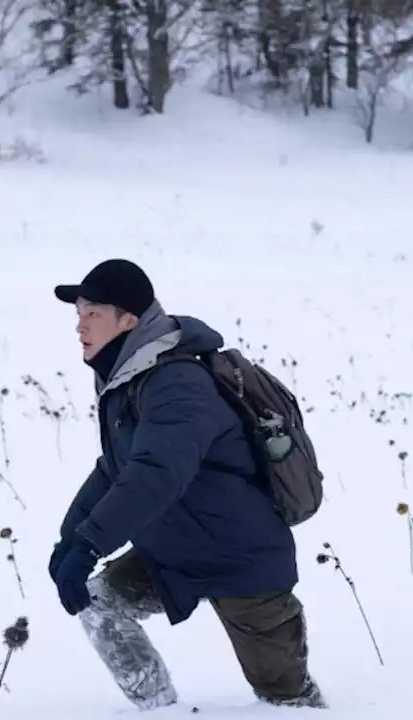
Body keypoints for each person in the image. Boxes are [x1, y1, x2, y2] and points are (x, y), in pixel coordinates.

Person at [46, 258, 326, 710]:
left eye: (93, 313)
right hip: (177, 552)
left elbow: (155, 474)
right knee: (100, 604)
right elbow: (116, 468)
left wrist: (90, 544)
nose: (80, 326)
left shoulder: (176, 383)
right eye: (78, 314)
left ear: (129, 320)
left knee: (288, 703)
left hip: (240, 558)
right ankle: (159, 711)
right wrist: (70, 539)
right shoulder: (129, 379)